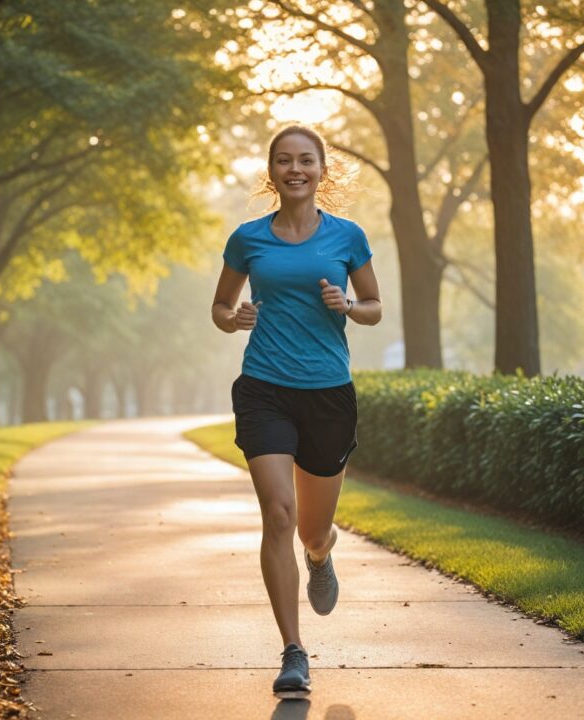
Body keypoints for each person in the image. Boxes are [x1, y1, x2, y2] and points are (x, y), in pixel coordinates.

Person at [211, 125, 382, 699]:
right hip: (264, 388)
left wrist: (350, 304)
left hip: (328, 393)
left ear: (321, 170)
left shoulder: (348, 237)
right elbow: (220, 305)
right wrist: (232, 319)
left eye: (305, 160)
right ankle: (293, 652)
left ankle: (322, 552)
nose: (295, 169)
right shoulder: (248, 239)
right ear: (272, 172)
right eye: (284, 161)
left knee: (310, 528)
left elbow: (375, 307)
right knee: (279, 515)